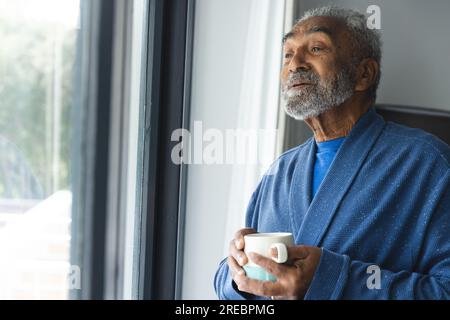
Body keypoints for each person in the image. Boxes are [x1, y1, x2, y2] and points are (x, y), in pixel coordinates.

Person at [214, 6, 450, 300]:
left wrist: (332, 281)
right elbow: (235, 284)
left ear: (364, 74)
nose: (295, 64)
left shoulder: (428, 163)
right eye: (287, 54)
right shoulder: (279, 172)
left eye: (315, 48)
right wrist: (236, 275)